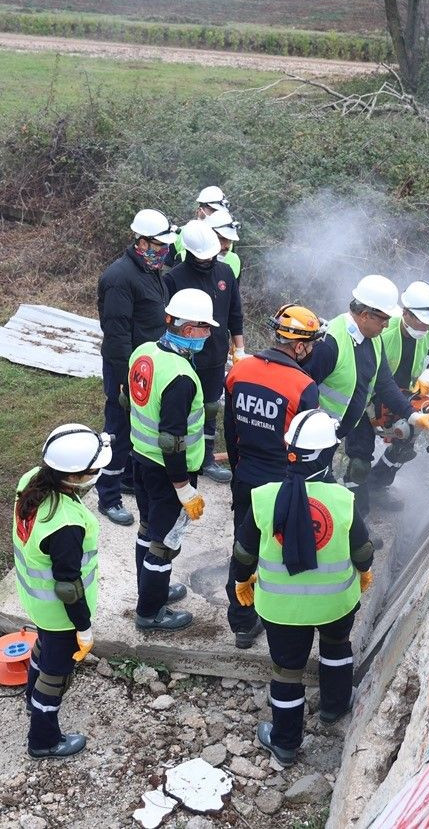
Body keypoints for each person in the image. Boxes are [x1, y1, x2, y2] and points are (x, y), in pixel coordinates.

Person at [231, 409, 375, 767]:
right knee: (336, 648)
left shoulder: (263, 497)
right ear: (328, 454)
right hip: (337, 604)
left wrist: (240, 579)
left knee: (287, 673)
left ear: (288, 450)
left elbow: (243, 551)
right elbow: (362, 548)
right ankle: (334, 706)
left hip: (281, 611)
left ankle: (285, 743)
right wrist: (365, 571)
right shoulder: (342, 499)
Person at [221, 304, 323, 648]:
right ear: (299, 346)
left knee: (242, 547)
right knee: (278, 550)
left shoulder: (239, 371)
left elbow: (230, 430)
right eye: (310, 345)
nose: (310, 351)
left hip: (246, 474)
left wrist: (238, 472)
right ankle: (278, 615)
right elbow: (306, 447)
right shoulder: (304, 387)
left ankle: (241, 623)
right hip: (283, 481)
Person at [13, 424, 110, 759]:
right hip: (60, 614)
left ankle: (32, 700)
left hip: (38, 604)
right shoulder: (65, 524)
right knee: (55, 677)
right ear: (76, 475)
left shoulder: (31, 481)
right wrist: (83, 627)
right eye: (93, 470)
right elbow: (68, 586)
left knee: (44, 654)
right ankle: (44, 740)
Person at [303, 275, 429, 517]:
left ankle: (356, 522)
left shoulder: (373, 340)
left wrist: (412, 415)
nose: (387, 325)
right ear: (365, 314)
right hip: (319, 430)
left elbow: (384, 382)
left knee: (359, 465)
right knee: (316, 481)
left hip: (349, 421)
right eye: (383, 319)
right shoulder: (330, 343)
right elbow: (303, 388)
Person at [127, 288, 217, 632]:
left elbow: (128, 399)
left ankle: (150, 589)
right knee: (164, 545)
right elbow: (172, 439)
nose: (209, 334)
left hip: (141, 459)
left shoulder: (144, 353)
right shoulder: (180, 377)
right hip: (169, 473)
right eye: (204, 327)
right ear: (189, 329)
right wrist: (183, 488)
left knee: (148, 530)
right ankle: (151, 612)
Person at [96, 209, 176, 526]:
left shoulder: (152, 269)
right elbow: (116, 335)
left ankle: (127, 479)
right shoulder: (119, 278)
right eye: (159, 244)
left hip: (147, 367)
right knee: (118, 433)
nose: (164, 250)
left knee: (138, 431)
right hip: (126, 372)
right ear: (140, 241)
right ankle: (108, 497)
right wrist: (124, 381)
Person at [165, 219, 244, 485]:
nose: (208, 260)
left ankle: (206, 458)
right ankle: (177, 458)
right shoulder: (174, 278)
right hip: (182, 357)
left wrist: (239, 349)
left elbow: (235, 313)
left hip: (215, 354)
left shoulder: (225, 273)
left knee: (209, 407)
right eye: (202, 256)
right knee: (180, 408)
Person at [365, 281, 429, 510]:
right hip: (373, 393)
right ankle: (356, 498)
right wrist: (369, 407)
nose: (426, 328)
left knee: (404, 444)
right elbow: (365, 370)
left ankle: (377, 486)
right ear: (406, 314)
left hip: (405, 391)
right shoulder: (383, 330)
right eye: (421, 322)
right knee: (359, 455)